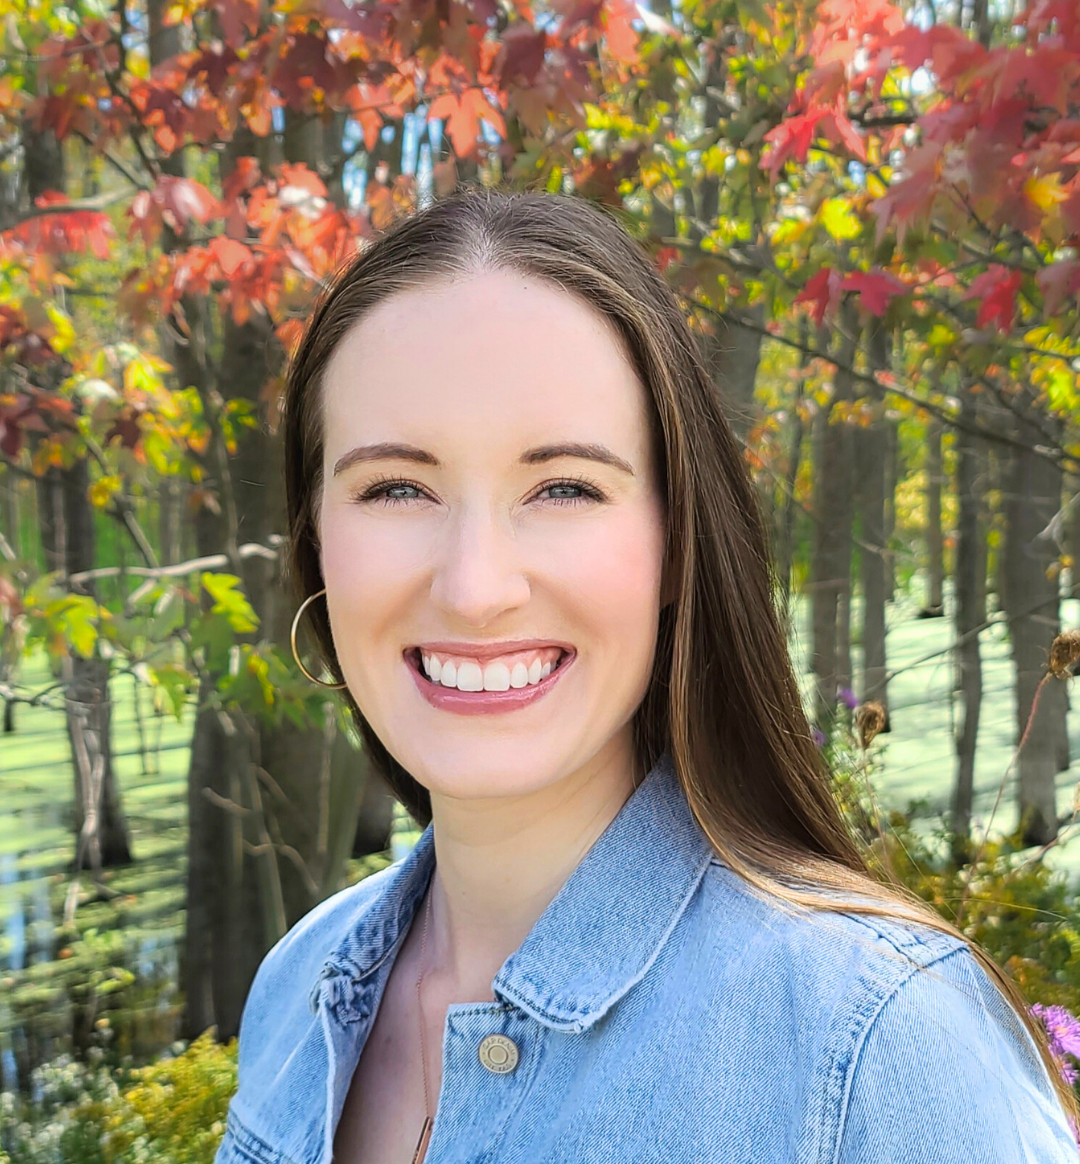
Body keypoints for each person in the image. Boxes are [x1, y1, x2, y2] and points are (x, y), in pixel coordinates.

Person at [212, 186, 1080, 1164]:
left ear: (675, 543)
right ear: (317, 537)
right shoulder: (298, 991)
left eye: (565, 487)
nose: (475, 587)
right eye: (397, 487)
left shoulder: (878, 1044)